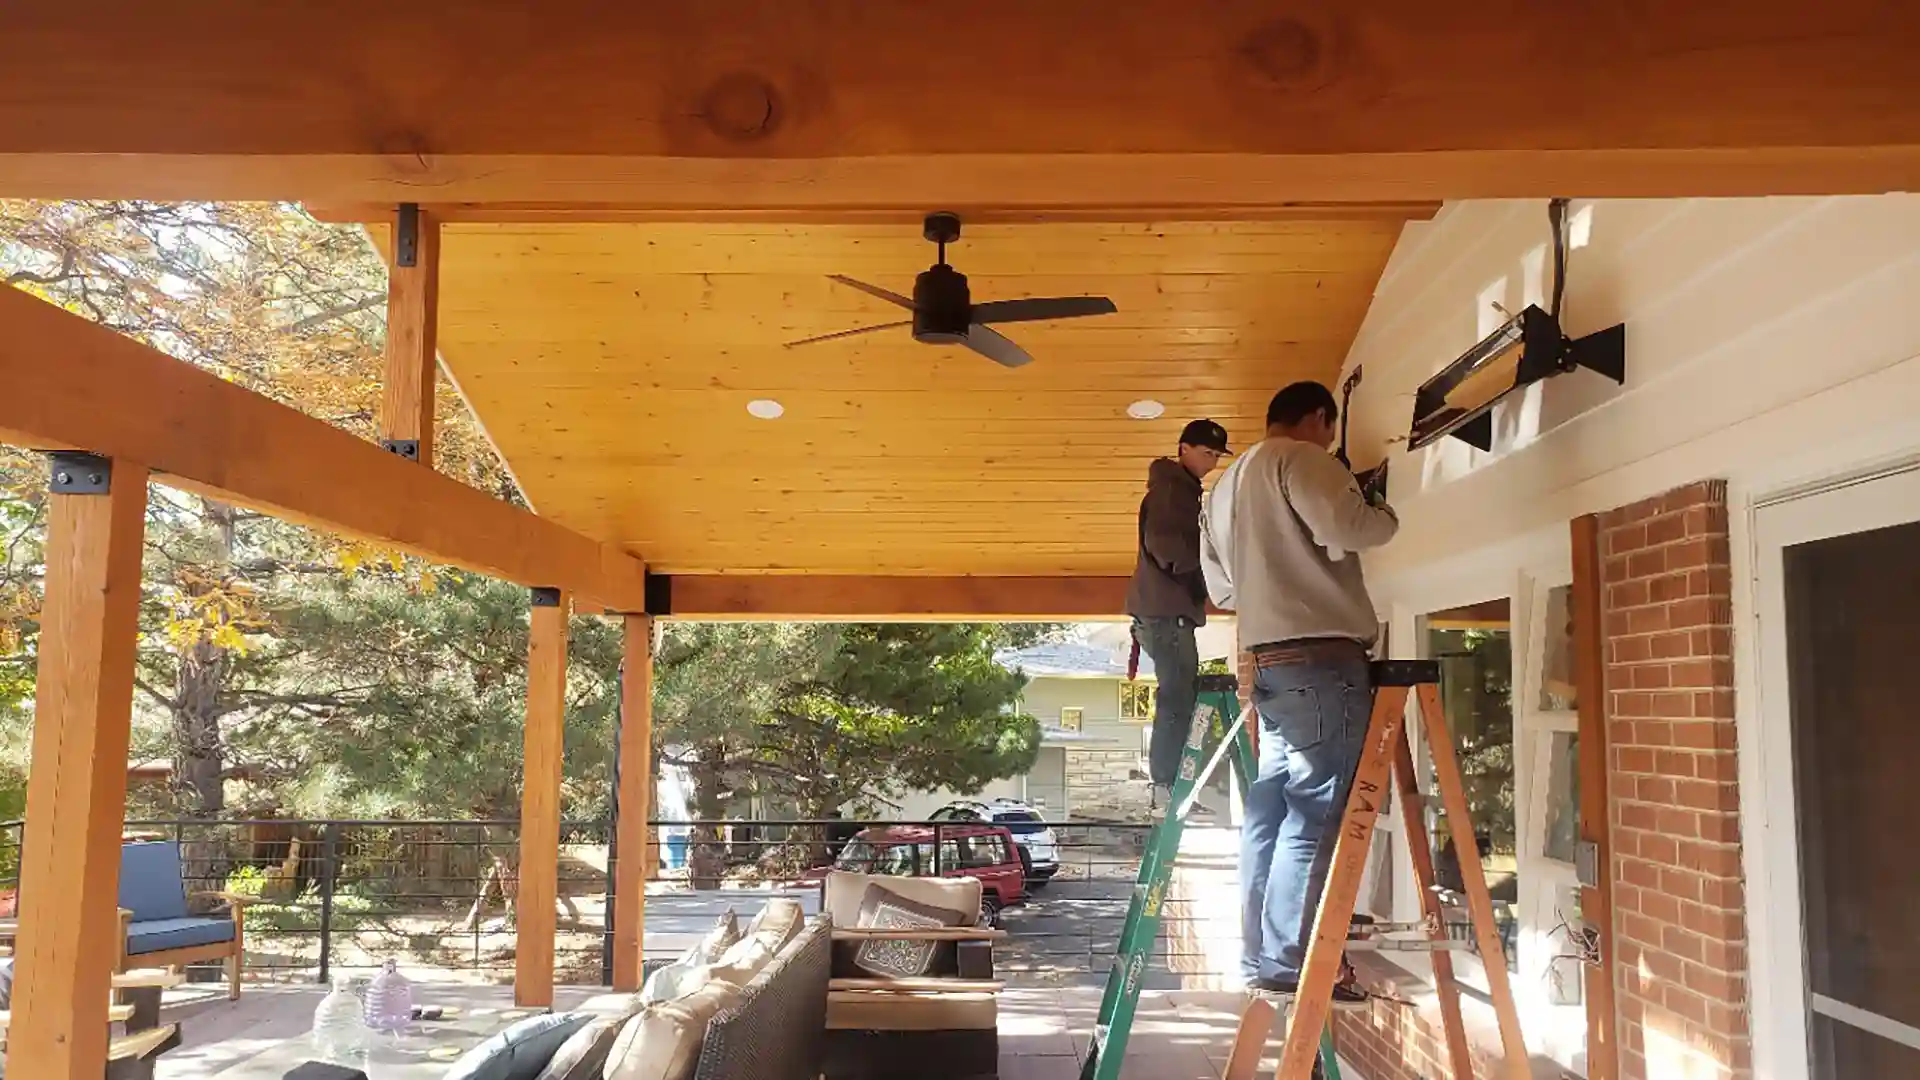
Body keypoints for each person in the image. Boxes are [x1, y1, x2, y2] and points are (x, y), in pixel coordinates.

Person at [1201, 381, 1398, 1000]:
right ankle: (1293, 961)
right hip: (1320, 657)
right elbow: (1354, 527)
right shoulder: (1301, 458)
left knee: (1271, 812)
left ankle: (1264, 955)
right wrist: (1378, 507)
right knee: (1314, 813)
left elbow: (1224, 590)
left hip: (1269, 661)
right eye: (1330, 431)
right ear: (1318, 418)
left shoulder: (1225, 486)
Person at [1124, 418, 1232, 807]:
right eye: (1207, 453)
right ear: (1184, 448)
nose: (1213, 462)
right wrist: (1214, 562)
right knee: (1176, 698)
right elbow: (1169, 550)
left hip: (1163, 612)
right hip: (1166, 614)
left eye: (1217, 456)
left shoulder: (1179, 490)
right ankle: (1165, 787)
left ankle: (1169, 785)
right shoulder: (1173, 492)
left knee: (1180, 695)